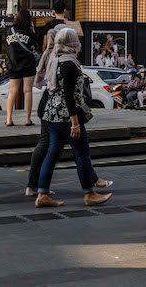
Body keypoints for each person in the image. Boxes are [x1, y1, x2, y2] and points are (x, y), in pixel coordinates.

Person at [26, 26, 112, 198]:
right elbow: (69, 95)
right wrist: (75, 123)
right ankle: (89, 193)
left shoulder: (54, 58)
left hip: (51, 114)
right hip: (66, 116)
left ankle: (42, 193)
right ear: (72, 43)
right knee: (82, 154)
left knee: (52, 152)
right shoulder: (69, 63)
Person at [6, 9, 39, 127]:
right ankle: (27, 119)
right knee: (28, 91)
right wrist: (33, 30)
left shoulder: (10, 31)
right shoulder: (30, 33)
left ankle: (9, 119)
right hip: (28, 64)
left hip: (14, 64)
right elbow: (35, 45)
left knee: (12, 91)